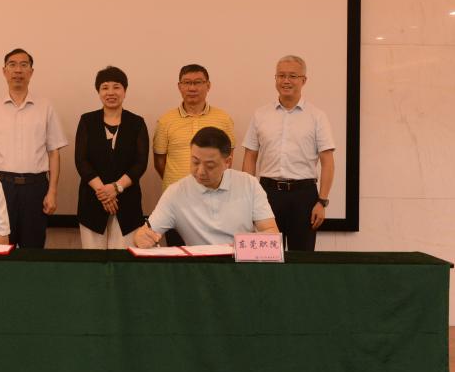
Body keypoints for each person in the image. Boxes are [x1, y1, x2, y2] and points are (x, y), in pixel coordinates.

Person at [0, 48, 68, 248]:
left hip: (35, 188)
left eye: (24, 65)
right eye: (12, 65)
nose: (18, 70)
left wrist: (52, 191)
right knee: (0, 246)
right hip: (1, 187)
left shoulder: (45, 107)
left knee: (33, 248)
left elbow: (54, 152)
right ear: (4, 71)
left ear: (31, 72)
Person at [241, 55, 335, 251]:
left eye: (292, 76)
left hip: (304, 196)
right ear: (275, 78)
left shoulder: (317, 116)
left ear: (304, 80)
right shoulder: (260, 115)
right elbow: (250, 156)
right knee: (266, 256)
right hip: (268, 194)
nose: (286, 81)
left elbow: (327, 162)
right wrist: (248, 197)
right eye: (281, 75)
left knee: (302, 259)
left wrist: (322, 201)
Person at [133, 127, 278, 248]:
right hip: (199, 267)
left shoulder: (248, 184)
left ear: (227, 162)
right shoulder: (176, 192)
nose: (200, 171)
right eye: (195, 162)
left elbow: (271, 233)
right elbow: (147, 232)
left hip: (240, 264)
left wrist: (236, 248)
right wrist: (141, 237)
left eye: (210, 165)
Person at [152, 63, 235, 245]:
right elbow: (159, 161)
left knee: (214, 254)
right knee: (177, 254)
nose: (192, 88)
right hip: (178, 201)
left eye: (198, 82)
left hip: (215, 201)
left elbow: (227, 159)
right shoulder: (166, 120)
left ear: (208, 85)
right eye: (187, 83)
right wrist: (180, 182)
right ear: (179, 86)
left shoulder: (223, 118)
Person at [73, 66, 149, 249]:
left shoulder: (137, 123)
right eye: (105, 87)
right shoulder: (87, 121)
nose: (111, 92)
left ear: (125, 91)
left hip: (127, 203)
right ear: (98, 92)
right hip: (92, 201)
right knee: (94, 259)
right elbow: (81, 161)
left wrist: (116, 188)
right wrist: (104, 193)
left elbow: (140, 163)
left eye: (116, 87)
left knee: (123, 259)